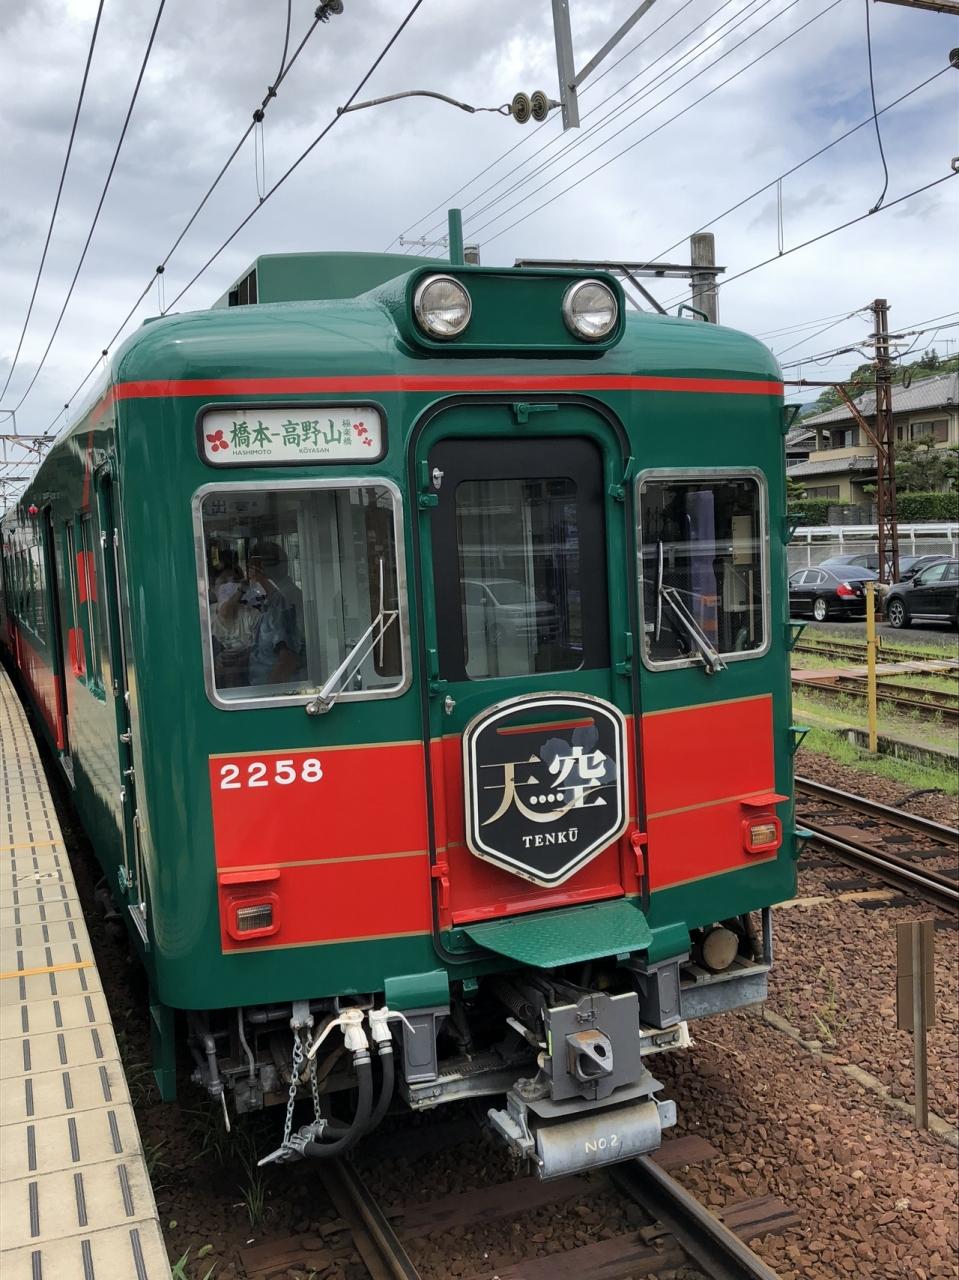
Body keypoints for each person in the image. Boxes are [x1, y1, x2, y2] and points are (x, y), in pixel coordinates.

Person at [246, 541, 306, 686]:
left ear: (259, 567)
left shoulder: (282, 601)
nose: (248, 575)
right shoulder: (274, 599)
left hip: (275, 690)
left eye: (250, 568)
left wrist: (268, 693)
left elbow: (287, 660)